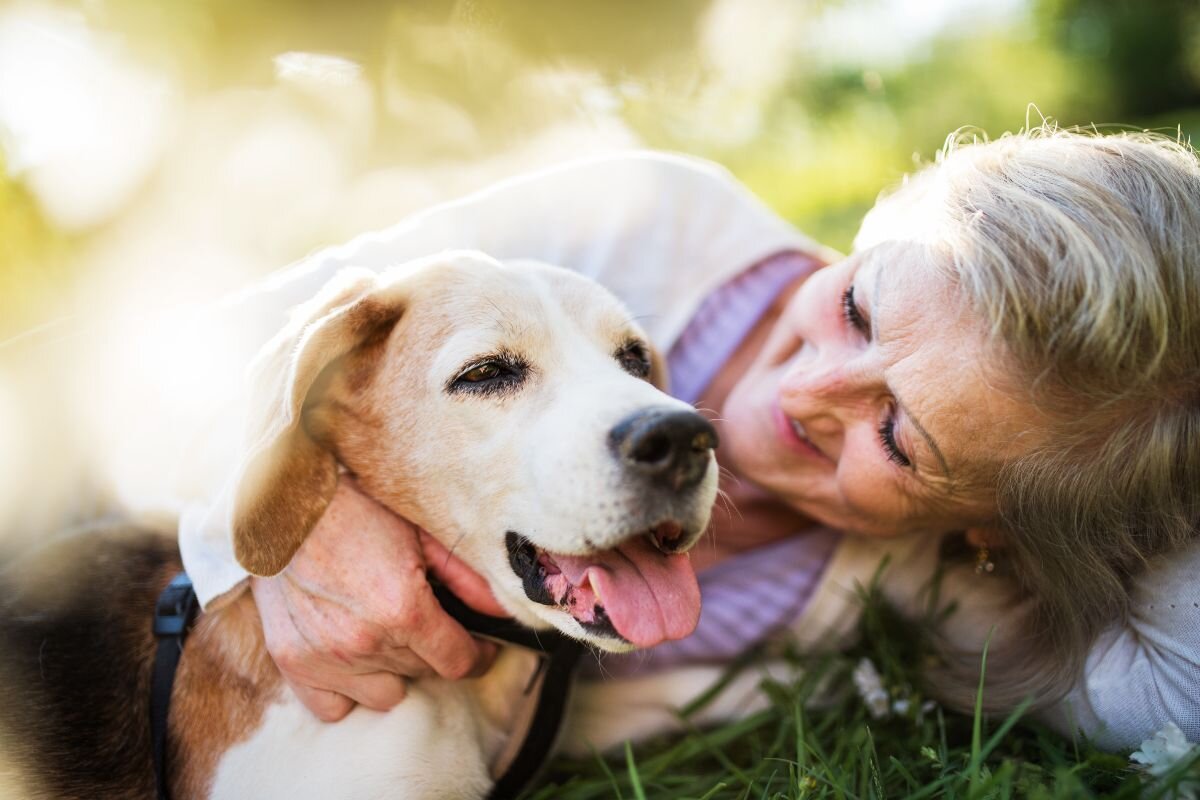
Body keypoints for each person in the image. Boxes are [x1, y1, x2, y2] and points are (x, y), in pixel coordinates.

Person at [180, 124, 1200, 752]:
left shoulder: (945, 584)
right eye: (855, 306)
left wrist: (1151, 440)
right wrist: (272, 528)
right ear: (877, 226)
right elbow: (166, 356)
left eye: (897, 437)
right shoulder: (652, 218)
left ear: (992, 525)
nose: (805, 392)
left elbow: (1180, 691)